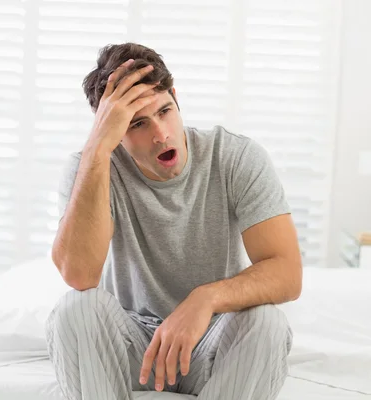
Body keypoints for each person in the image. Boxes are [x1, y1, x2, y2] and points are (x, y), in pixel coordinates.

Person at [45, 42, 302, 400]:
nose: (161, 134)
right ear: (111, 129)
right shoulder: (91, 166)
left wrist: (205, 299)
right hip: (134, 347)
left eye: (165, 111)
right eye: (137, 123)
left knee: (267, 322)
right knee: (75, 310)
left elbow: (287, 273)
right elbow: (79, 275)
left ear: (176, 99)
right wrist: (97, 150)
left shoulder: (235, 157)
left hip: (211, 344)